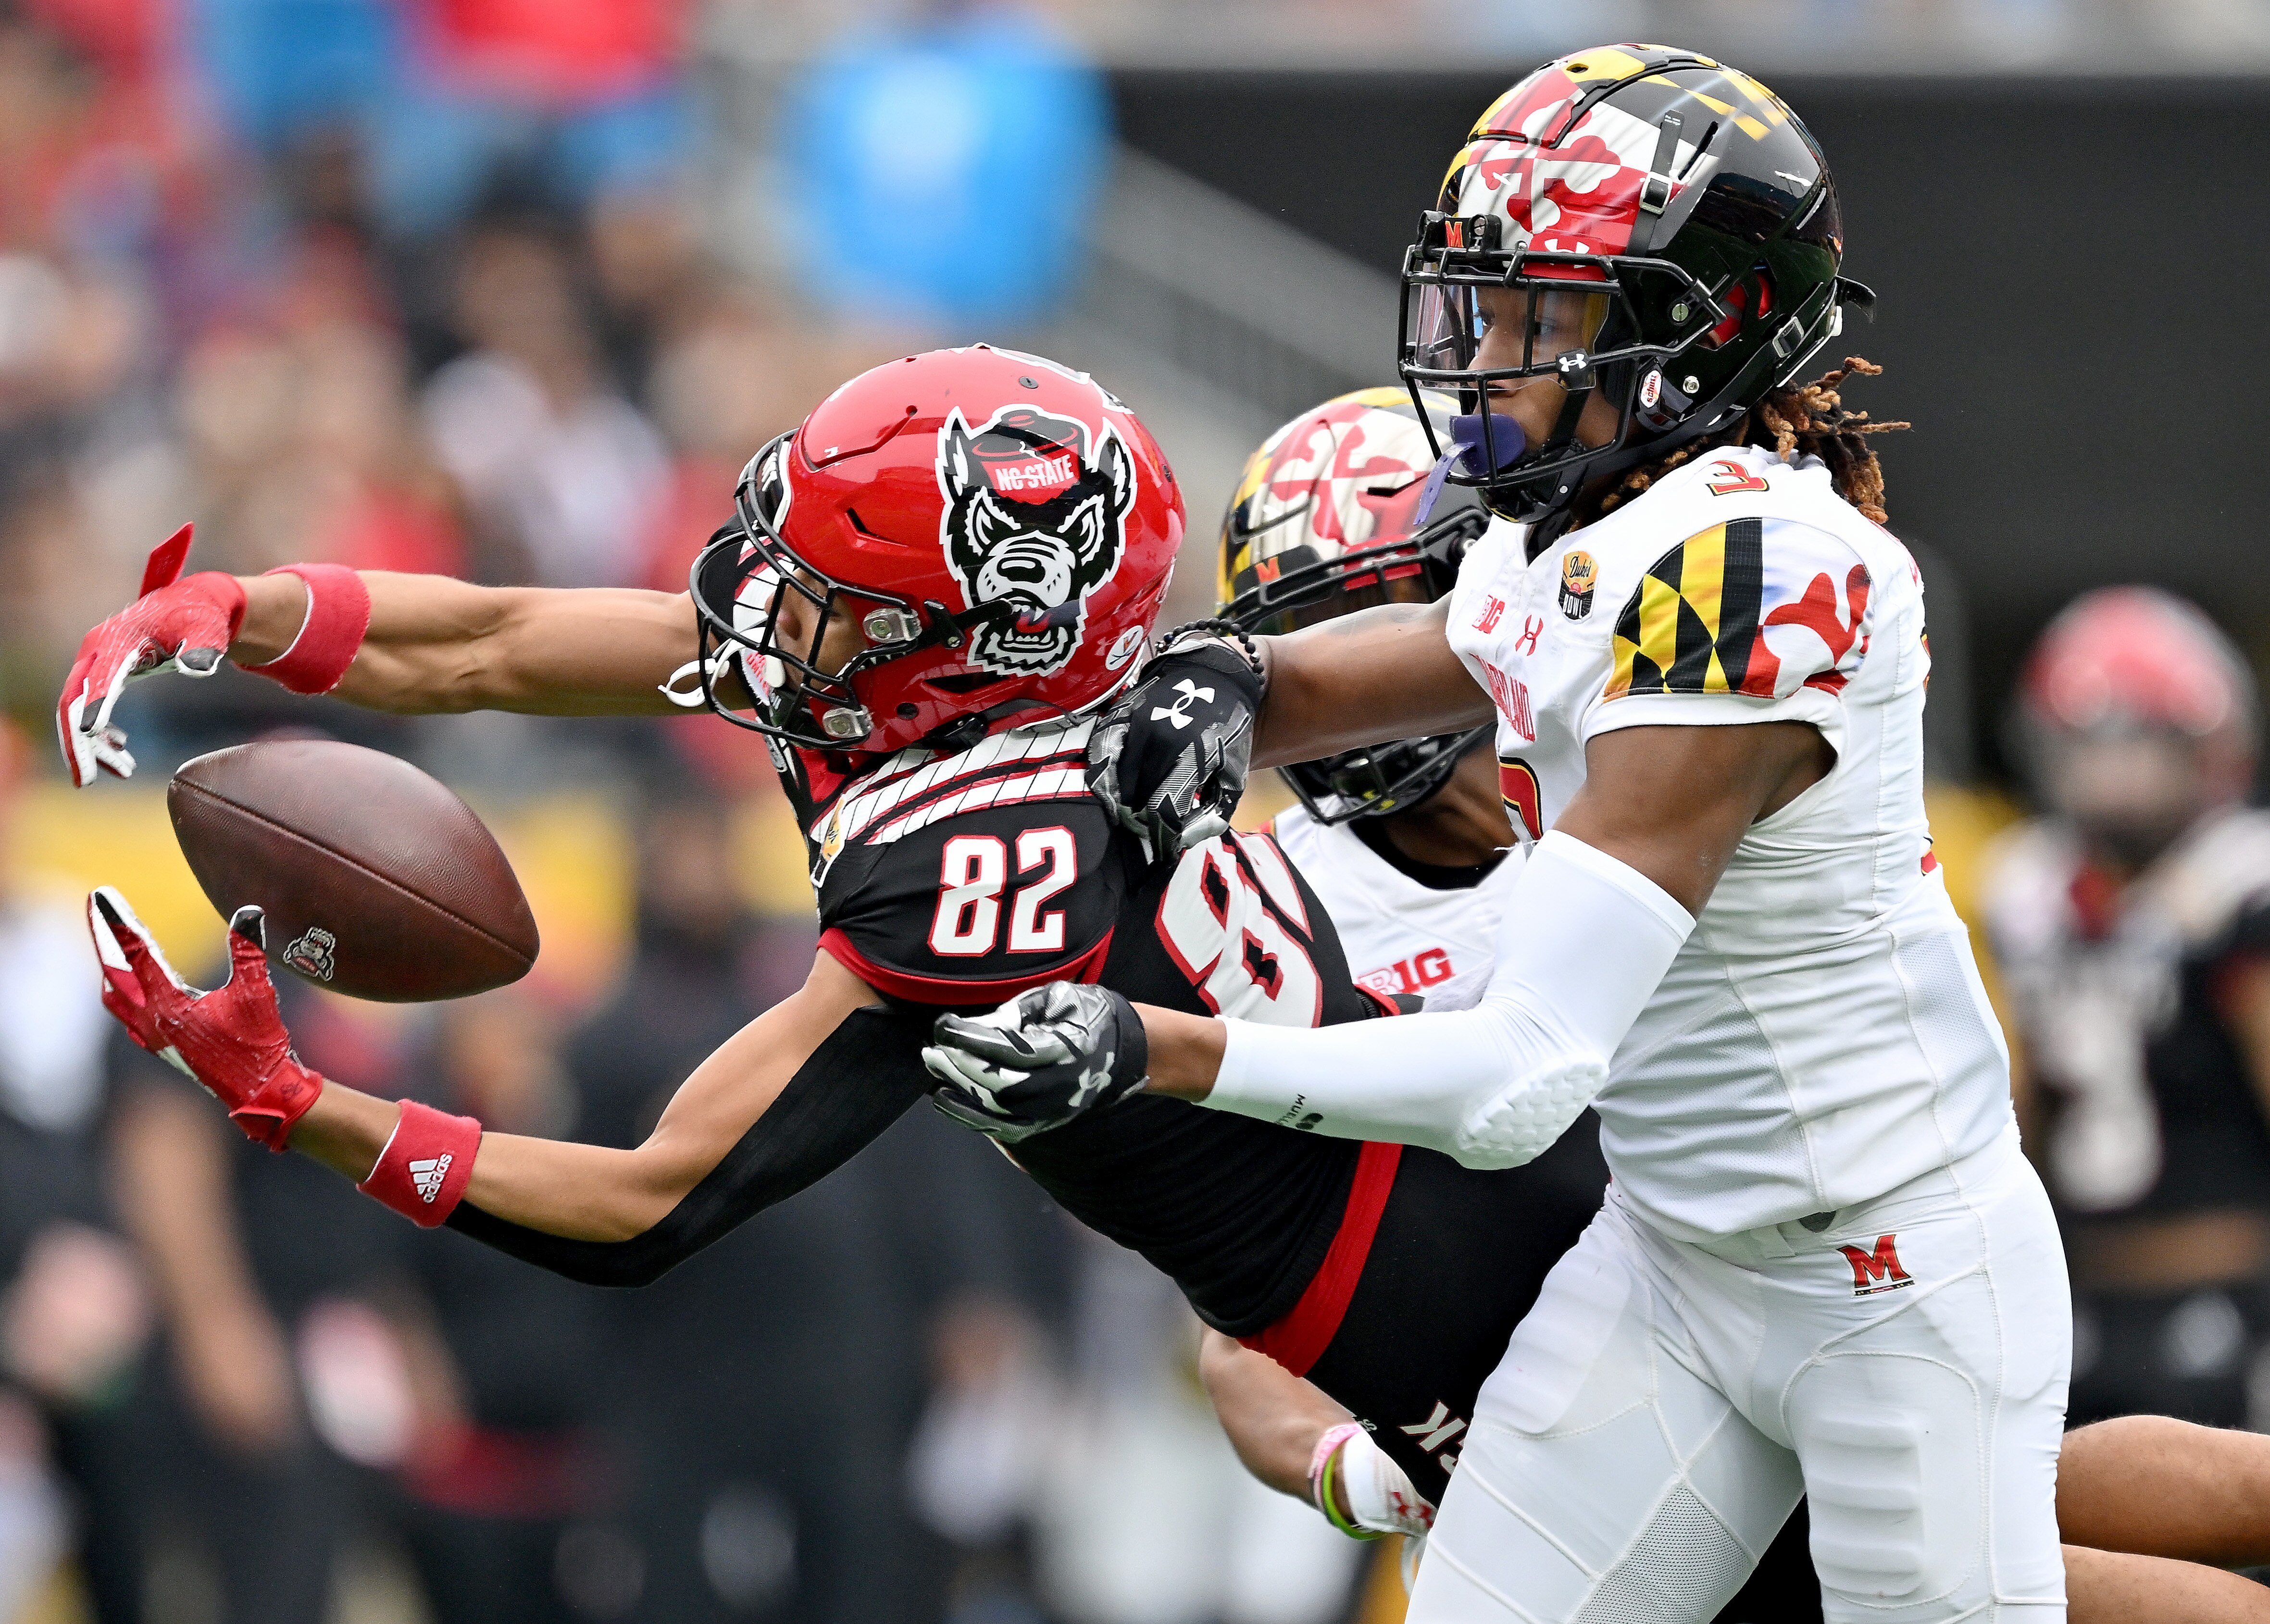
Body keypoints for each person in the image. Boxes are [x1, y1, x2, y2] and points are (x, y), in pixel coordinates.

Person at [48, 297, 2270, 1624]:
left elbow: (644, 1196)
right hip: (1515, 1275)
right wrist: (236, 614)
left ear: (967, 630)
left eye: (832, 590)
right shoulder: (1013, 714)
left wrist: (296, 1098)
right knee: (2030, 1513)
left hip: (1515, 1328)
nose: (765, 613)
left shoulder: (977, 850)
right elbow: (525, 634)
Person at [927, 48, 2068, 1624]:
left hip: (1882, 1278)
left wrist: (1158, 1049)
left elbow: (1521, 1075)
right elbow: (1412, 659)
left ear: (1697, 327)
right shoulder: (1607, 522)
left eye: (1538, 316)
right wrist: (1222, 677)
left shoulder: (1753, 575)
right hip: (1675, 1267)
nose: (1485, 355)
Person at [1985, 590, 2270, 1430]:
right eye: (2091, 746)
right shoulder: (2029, 889)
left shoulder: (2238, 886)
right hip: (2073, 1296)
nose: (2115, 776)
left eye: (2141, 743)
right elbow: (2006, 1114)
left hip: (2229, 1285)